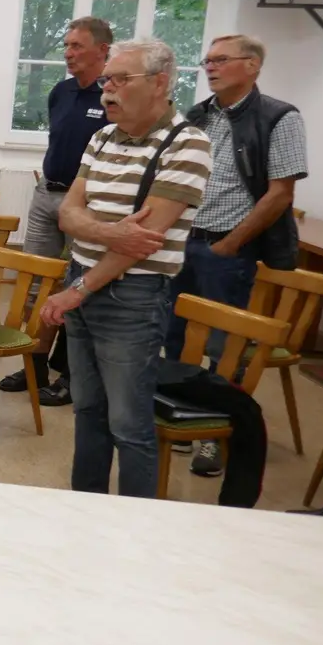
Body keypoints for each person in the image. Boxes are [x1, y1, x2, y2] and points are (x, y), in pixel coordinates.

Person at [39, 38, 213, 499]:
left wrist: (79, 284)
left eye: (119, 80)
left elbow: (146, 241)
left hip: (130, 299)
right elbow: (68, 215)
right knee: (88, 410)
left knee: (129, 423)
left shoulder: (188, 144)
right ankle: (87, 506)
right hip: (81, 280)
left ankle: (138, 527)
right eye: (106, 81)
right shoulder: (102, 137)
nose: (106, 90)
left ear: (160, 83)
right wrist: (112, 232)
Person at [170, 33, 308, 477]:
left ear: (252, 66)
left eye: (221, 60)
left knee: (221, 347)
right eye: (207, 60)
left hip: (225, 247)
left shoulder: (279, 117)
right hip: (183, 240)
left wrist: (229, 244)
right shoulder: (198, 116)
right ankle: (180, 415)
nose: (209, 67)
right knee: (173, 334)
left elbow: (279, 193)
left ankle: (214, 435)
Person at [0, 17, 115, 406]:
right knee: (35, 285)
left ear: (102, 50)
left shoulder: (110, 97)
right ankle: (34, 365)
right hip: (47, 194)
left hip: (87, 207)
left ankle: (69, 375)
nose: (68, 53)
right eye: (66, 46)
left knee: (76, 287)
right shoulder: (61, 92)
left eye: (77, 46)